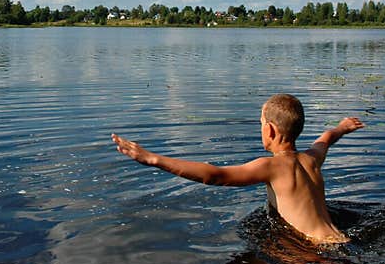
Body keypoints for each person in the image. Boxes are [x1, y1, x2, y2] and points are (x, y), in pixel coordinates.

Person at [111, 93, 364, 245]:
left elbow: (216, 175)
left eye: (261, 123)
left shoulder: (271, 166)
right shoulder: (311, 159)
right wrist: (342, 126)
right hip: (340, 240)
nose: (260, 127)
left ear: (270, 130)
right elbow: (327, 138)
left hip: (314, 251)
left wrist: (152, 158)